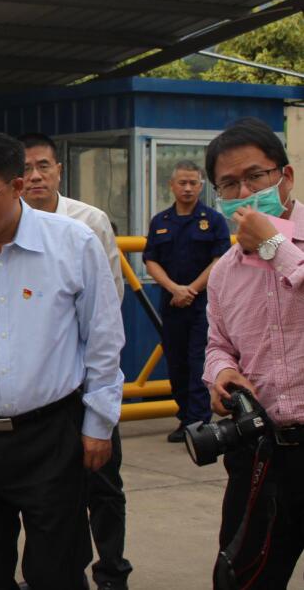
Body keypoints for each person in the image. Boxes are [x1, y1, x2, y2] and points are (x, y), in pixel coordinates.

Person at [0, 131, 125, 590]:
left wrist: (98, 423)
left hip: (52, 434)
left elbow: (103, 339)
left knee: (57, 569)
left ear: (16, 186)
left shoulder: (74, 242)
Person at [20, 132, 130, 590]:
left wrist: (96, 374)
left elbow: (110, 301)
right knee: (46, 489)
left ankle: (111, 571)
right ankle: (57, 572)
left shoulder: (89, 221)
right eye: (25, 169)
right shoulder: (7, 227)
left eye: (43, 166)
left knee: (103, 482)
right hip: (39, 383)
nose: (34, 176)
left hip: (87, 375)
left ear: (59, 169)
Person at [203, 117, 304, 588]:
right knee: (242, 576)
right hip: (262, 453)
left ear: (285, 177)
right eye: (229, 183)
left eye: (255, 176)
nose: (243, 191)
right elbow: (219, 343)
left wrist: (274, 245)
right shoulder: (223, 272)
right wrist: (221, 373)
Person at [143, 160, 230, 442]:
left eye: (194, 183)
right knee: (177, 363)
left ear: (201, 185)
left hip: (202, 304)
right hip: (171, 304)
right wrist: (174, 289)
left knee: (198, 362)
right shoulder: (160, 222)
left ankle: (199, 425)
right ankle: (185, 419)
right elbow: (151, 261)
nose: (188, 188)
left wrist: (190, 289)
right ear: (172, 185)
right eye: (183, 182)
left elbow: (220, 260)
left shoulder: (213, 220)